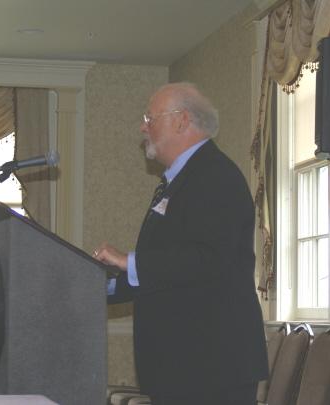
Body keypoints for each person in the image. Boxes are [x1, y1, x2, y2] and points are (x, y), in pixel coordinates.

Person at [94, 82, 268, 405]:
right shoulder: (177, 180)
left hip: (212, 370)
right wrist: (92, 285)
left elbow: (208, 259)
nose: (142, 127)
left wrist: (131, 262)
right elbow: (164, 269)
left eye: (150, 117)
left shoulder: (216, 176)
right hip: (183, 369)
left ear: (181, 120)